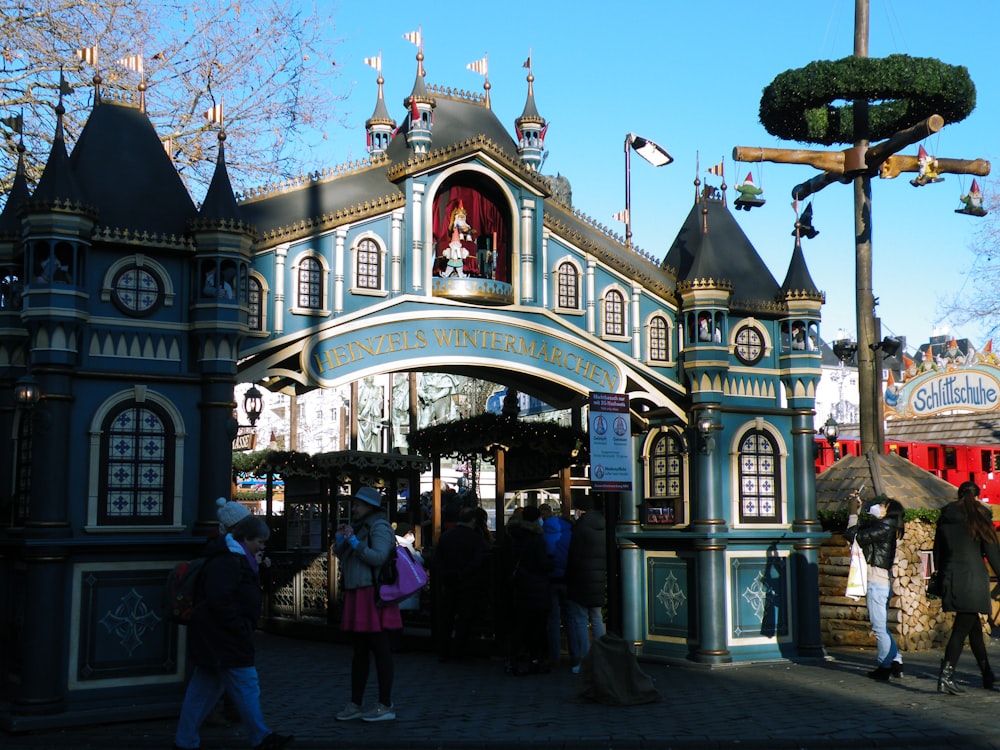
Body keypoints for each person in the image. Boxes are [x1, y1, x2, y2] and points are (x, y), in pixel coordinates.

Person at [173, 515, 293, 750]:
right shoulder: (229, 561)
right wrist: (240, 625)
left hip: (214, 635)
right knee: (246, 683)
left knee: (204, 687)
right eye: (260, 541)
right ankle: (260, 736)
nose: (262, 546)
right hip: (225, 635)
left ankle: (185, 740)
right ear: (246, 539)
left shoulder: (231, 558)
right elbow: (221, 599)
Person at [333, 486, 400, 722]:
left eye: (358, 505)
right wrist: (342, 540)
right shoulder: (361, 527)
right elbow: (341, 554)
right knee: (359, 652)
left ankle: (385, 704)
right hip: (357, 591)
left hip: (372, 594)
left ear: (370, 507)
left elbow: (379, 557)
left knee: (380, 650)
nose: (354, 508)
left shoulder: (379, 527)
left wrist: (353, 541)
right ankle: (356, 703)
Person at [933, 481, 1000, 694]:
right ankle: (946, 676)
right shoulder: (979, 517)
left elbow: (938, 553)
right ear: (977, 496)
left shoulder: (945, 518)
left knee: (973, 628)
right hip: (973, 579)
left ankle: (986, 673)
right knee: (962, 627)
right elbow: (992, 553)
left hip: (952, 578)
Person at [845, 493, 906, 681]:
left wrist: (853, 514)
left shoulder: (883, 527)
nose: (879, 506)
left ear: (889, 512)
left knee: (878, 627)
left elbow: (854, 535)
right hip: (881, 582)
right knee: (882, 626)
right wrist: (858, 509)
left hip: (876, 583)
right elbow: (862, 531)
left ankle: (884, 666)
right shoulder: (886, 527)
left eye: (883, 505)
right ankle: (896, 660)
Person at [431, 506, 490, 661]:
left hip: (449, 582)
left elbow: (437, 560)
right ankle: (459, 651)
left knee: (447, 618)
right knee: (465, 618)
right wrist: (463, 573)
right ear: (473, 520)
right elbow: (479, 561)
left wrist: (446, 574)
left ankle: (443, 651)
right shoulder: (476, 539)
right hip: (468, 582)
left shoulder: (446, 536)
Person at [505, 505, 552, 675]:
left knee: (520, 625)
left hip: (519, 585)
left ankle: (517, 661)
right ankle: (537, 660)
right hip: (537, 585)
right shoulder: (536, 538)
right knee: (538, 626)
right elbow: (543, 564)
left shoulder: (513, 536)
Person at [565, 497, 607, 673]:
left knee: (580, 620)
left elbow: (573, 557)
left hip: (581, 580)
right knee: (597, 618)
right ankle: (603, 658)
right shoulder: (604, 525)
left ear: (580, 510)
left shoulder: (580, 528)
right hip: (598, 580)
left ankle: (585, 659)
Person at [541, 504, 572, 668]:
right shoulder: (569, 534)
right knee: (570, 618)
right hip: (566, 578)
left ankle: (554, 656)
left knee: (552, 619)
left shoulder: (543, 534)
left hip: (550, 580)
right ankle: (576, 655)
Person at [393, 522, 424, 613]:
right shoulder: (405, 545)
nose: (412, 536)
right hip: (409, 589)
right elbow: (418, 561)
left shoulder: (394, 543)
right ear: (405, 533)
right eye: (410, 533)